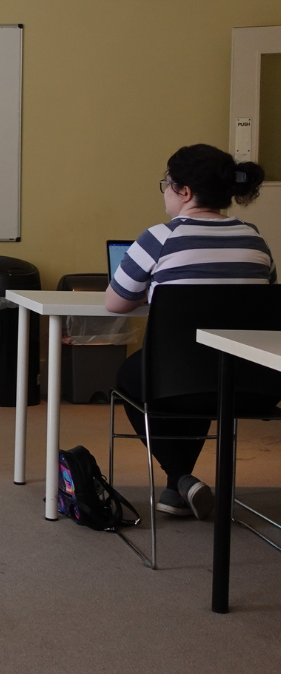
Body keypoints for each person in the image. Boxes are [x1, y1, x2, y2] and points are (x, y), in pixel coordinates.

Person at [106, 143, 276, 521]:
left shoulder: (159, 237)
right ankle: (175, 491)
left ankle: (181, 477)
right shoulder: (255, 240)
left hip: (183, 382)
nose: (165, 191)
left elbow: (115, 304)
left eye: (166, 184)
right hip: (254, 386)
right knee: (201, 368)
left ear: (184, 191)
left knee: (138, 375)